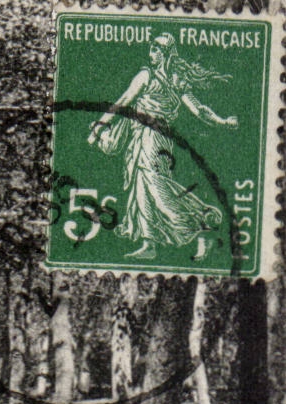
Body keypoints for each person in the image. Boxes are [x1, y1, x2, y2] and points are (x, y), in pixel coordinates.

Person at [88, 34, 237, 262]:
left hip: (157, 137)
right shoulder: (146, 75)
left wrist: (221, 121)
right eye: (151, 49)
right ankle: (149, 244)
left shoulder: (174, 80)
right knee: (142, 186)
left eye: (156, 50)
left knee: (156, 184)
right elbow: (124, 100)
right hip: (144, 135)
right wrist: (103, 121)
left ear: (166, 53)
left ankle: (201, 222)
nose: (151, 54)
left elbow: (199, 110)